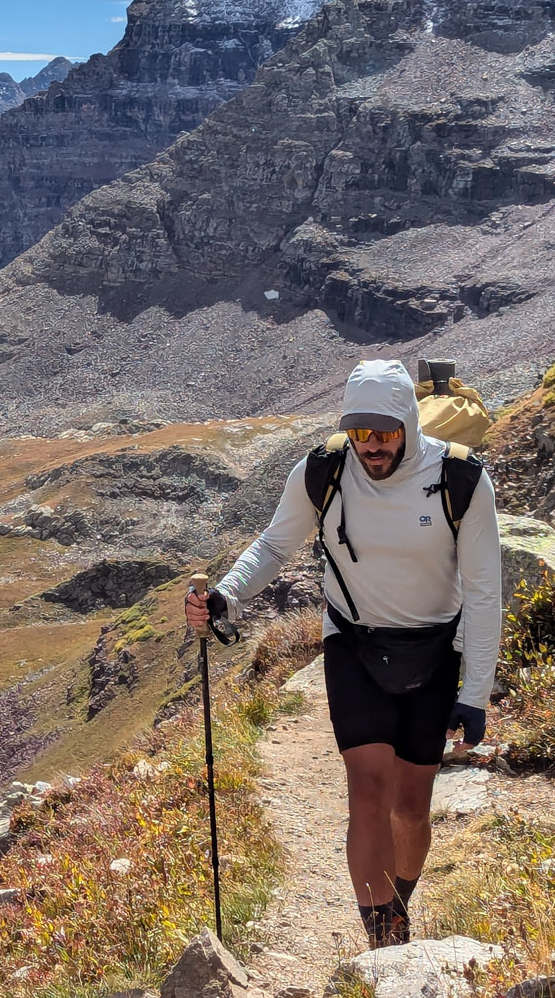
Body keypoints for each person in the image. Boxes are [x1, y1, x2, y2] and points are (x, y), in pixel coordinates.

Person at [186, 359, 501, 948]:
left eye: (384, 432)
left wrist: (474, 693)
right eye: (360, 433)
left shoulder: (461, 480)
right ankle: (385, 941)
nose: (372, 446)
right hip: (352, 643)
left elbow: (485, 592)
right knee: (369, 789)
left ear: (408, 422)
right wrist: (228, 595)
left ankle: (397, 900)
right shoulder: (323, 472)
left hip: (434, 649)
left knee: (410, 808)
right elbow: (275, 545)